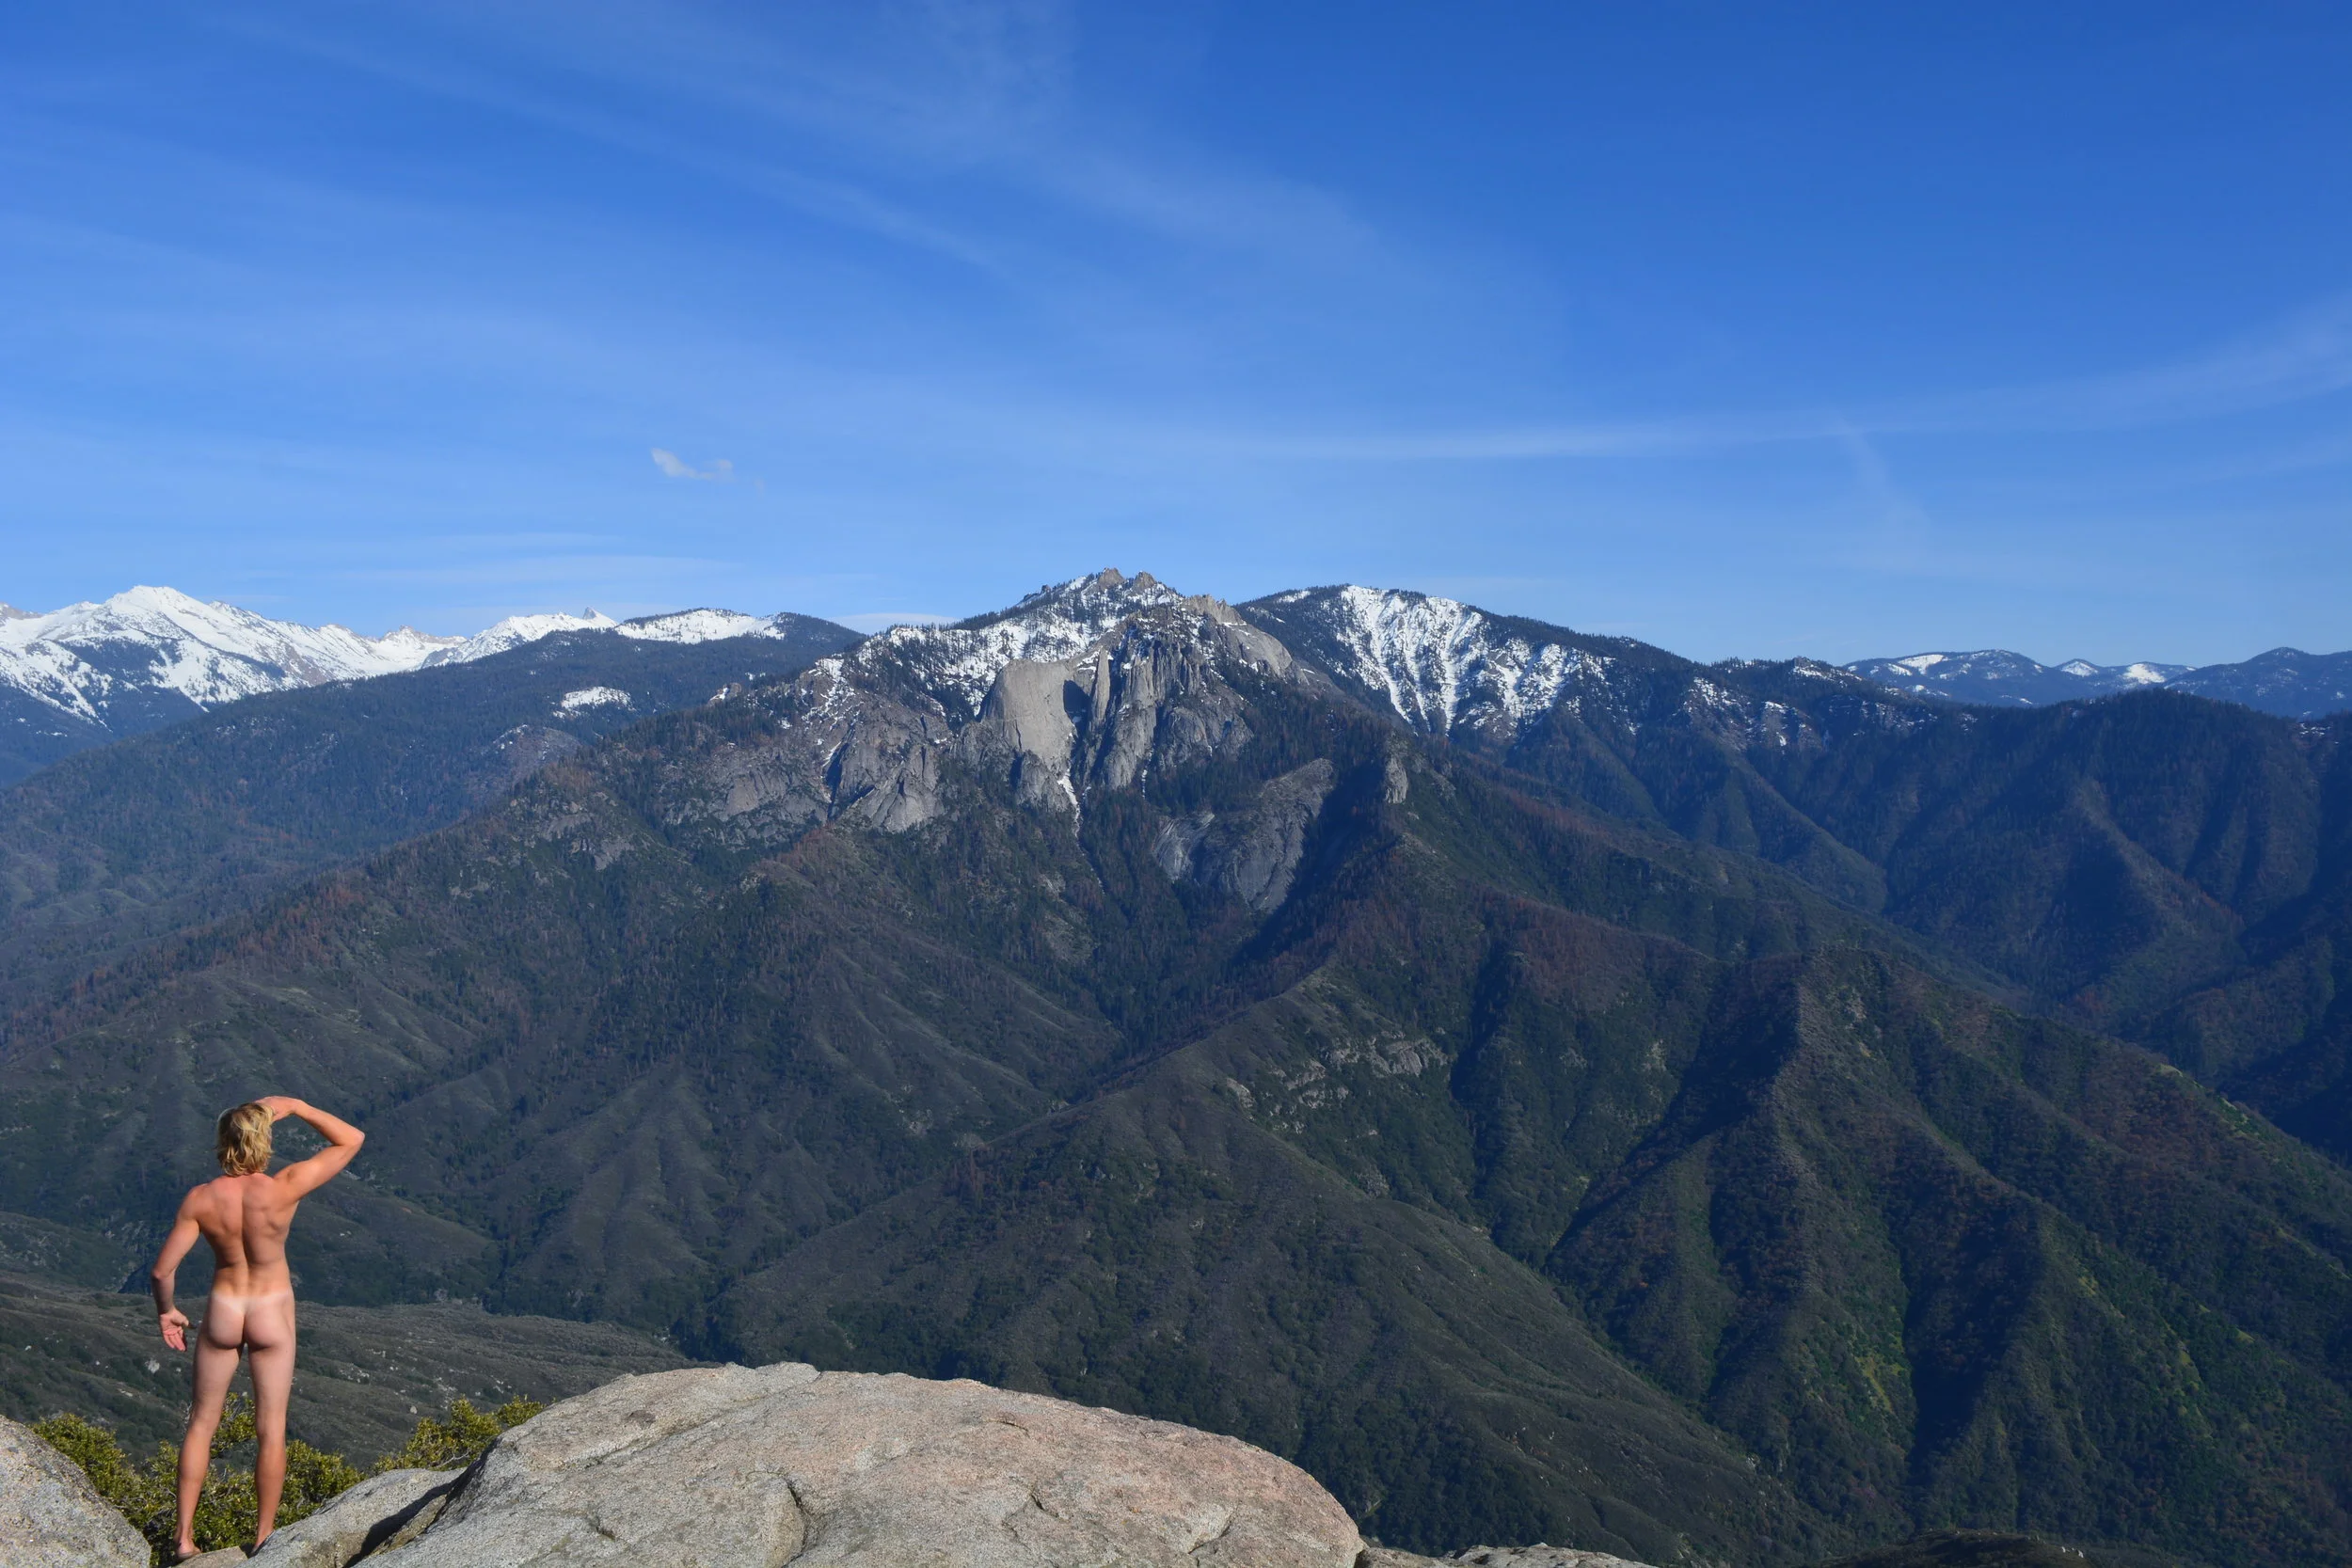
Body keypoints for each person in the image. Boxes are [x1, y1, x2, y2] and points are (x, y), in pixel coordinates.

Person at [150, 1096, 365, 1560]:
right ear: (263, 1141)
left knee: (202, 1424)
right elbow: (352, 1139)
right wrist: (302, 1106)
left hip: (225, 1308)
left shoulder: (201, 1199)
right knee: (271, 1427)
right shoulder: (284, 1187)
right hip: (271, 1309)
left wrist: (167, 1312)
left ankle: (183, 1539)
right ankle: (264, 1539)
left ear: (222, 1143)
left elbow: (162, 1273)